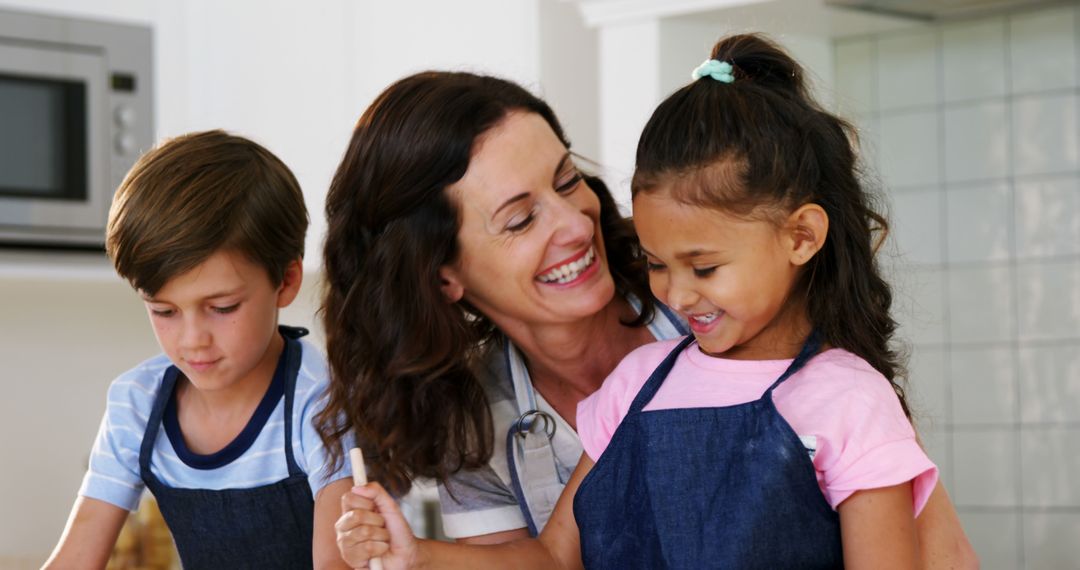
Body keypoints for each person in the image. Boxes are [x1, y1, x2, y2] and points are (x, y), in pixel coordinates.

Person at [319, 64, 976, 567]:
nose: (577, 224)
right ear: (443, 274)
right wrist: (416, 555)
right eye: (519, 219)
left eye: (568, 179)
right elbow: (553, 558)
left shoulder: (834, 386)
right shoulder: (633, 382)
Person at [44, 130, 355, 570]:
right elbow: (74, 561)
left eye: (222, 307)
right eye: (164, 311)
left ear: (286, 281)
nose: (192, 340)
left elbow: (336, 565)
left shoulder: (320, 402)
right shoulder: (137, 403)